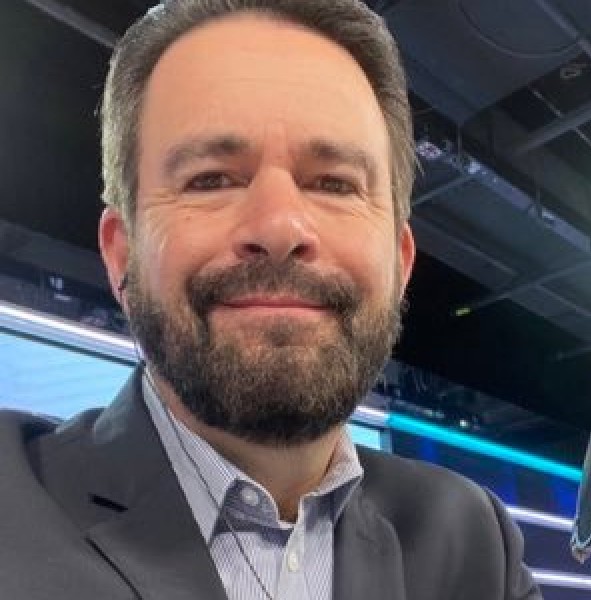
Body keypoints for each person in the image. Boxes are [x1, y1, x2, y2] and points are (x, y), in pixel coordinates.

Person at [0, 1, 541, 598]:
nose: (281, 226)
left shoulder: (474, 542)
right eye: (211, 179)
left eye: (334, 183)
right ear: (122, 253)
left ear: (400, 261)